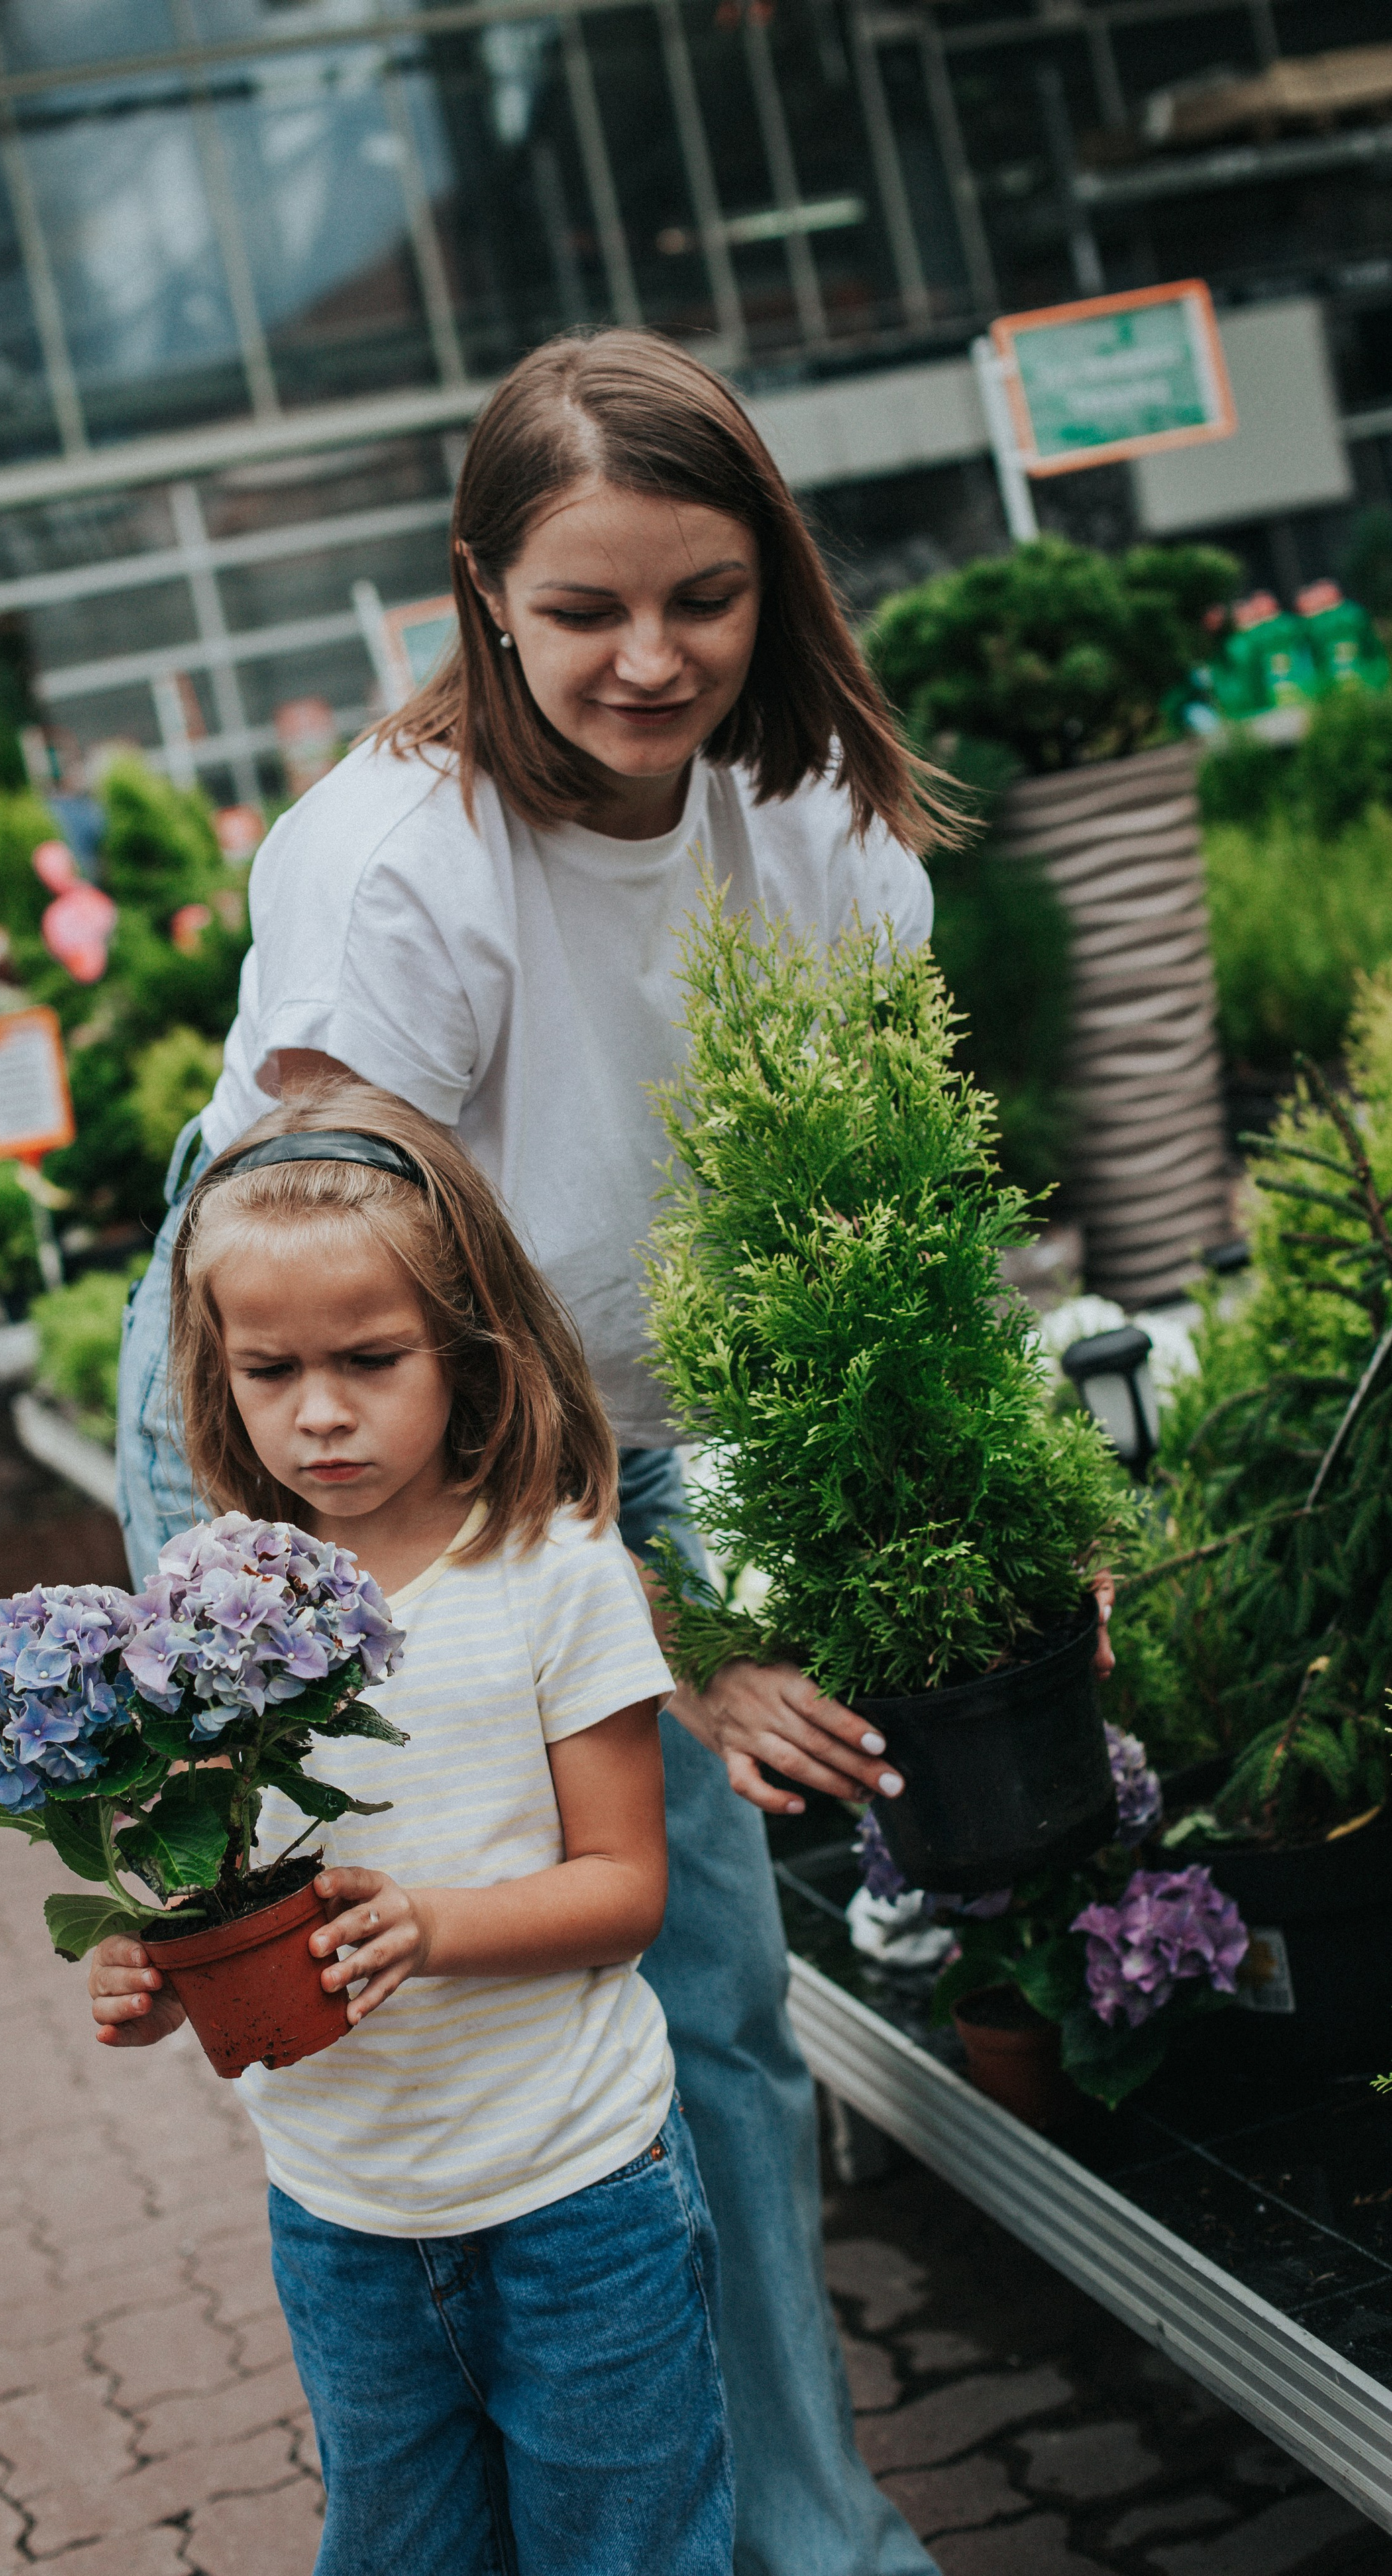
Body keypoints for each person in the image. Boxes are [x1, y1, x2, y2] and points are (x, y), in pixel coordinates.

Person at [118, 327, 944, 2576]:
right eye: (585, 608)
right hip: (333, 1394)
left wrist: (926, 1528)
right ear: (482, 590)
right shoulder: (402, 867)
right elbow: (380, 1341)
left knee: (716, 2003)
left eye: (704, 597)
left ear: (774, 580)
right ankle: (468, 2499)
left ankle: (800, 2533)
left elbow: (869, 1239)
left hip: (609, 1394)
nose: (651, 659)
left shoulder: (821, 838)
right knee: (397, 1966)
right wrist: (682, 1644)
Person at [93, 1088, 734, 2576]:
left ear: (467, 1345)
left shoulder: (555, 1571)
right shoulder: (215, 1599)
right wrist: (150, 1965)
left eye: (370, 1361)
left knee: (626, 2549)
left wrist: (430, 1927)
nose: (318, 1412)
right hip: (342, 2216)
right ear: (215, 1372)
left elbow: (626, 1888)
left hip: (578, 2198)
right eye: (269, 1370)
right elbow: (213, 1876)